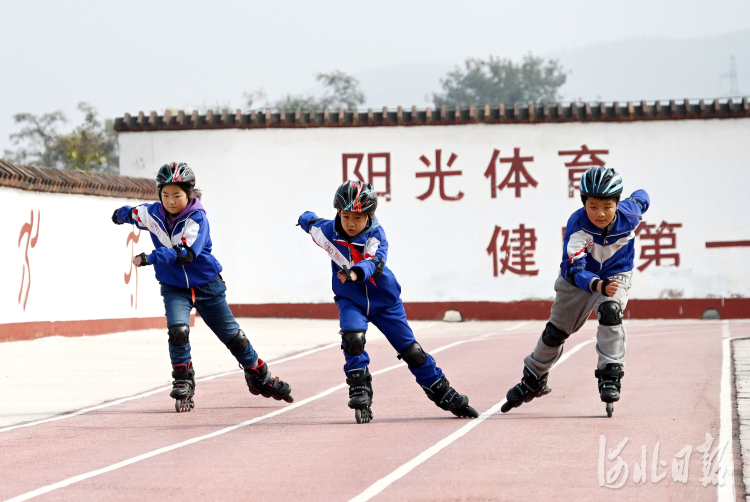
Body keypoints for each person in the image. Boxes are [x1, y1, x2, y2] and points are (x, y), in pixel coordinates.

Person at [112, 162, 293, 412]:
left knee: (234, 338)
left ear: (189, 194)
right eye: (165, 195)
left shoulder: (197, 218)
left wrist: (150, 258)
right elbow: (132, 212)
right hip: (174, 287)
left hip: (207, 285)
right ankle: (183, 380)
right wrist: (119, 215)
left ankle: (258, 373)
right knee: (178, 331)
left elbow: (186, 253)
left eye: (177, 195)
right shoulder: (151, 214)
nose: (171, 200)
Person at [297, 180, 478, 424]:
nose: (351, 223)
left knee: (411, 352)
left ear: (370, 216)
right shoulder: (327, 232)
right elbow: (311, 222)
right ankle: (359, 386)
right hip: (351, 300)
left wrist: (354, 274)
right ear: (338, 212)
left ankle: (441, 390)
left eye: (358, 218)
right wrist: (304, 218)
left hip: (385, 302)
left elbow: (373, 262)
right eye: (346, 216)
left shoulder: (376, 236)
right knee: (353, 338)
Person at [500, 166, 649, 417]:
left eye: (607, 206)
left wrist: (637, 199)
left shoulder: (630, 214)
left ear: (618, 203)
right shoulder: (577, 225)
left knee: (610, 311)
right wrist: (597, 285)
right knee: (554, 333)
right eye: (593, 207)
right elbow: (575, 270)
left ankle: (610, 373)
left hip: (615, 275)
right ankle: (535, 377)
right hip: (578, 278)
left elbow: (642, 197)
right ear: (584, 204)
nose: (600, 214)